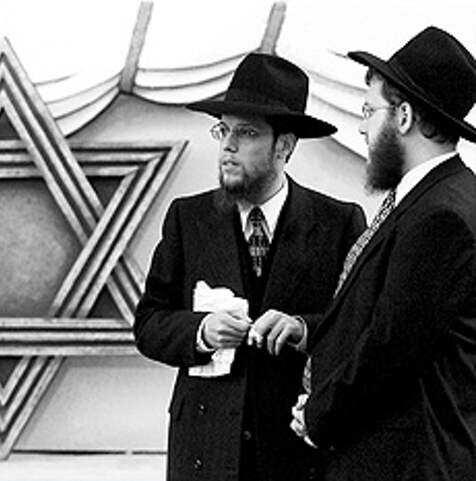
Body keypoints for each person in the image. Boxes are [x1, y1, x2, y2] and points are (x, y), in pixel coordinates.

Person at [254, 27, 476, 481]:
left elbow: (392, 347)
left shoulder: (441, 215)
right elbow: (386, 316)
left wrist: (318, 415)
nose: (361, 126)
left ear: (404, 116)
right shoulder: (436, 198)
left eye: (369, 111)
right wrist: (308, 330)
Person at [133, 53, 366, 481]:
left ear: (284, 146)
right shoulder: (188, 218)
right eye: (223, 130)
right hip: (204, 448)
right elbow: (148, 324)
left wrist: (302, 329)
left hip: (294, 453)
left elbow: (358, 330)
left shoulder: (339, 223)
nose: (228, 145)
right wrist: (201, 331)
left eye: (246, 132)